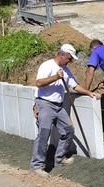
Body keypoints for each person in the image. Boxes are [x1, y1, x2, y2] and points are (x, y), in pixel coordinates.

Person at [30, 44, 99, 178]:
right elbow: (38, 83)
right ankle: (37, 166)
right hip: (45, 103)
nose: (70, 61)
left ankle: (59, 158)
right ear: (62, 55)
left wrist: (89, 92)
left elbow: (75, 85)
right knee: (44, 134)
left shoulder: (66, 70)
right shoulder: (47, 66)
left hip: (58, 105)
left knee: (68, 130)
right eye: (69, 58)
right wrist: (55, 77)